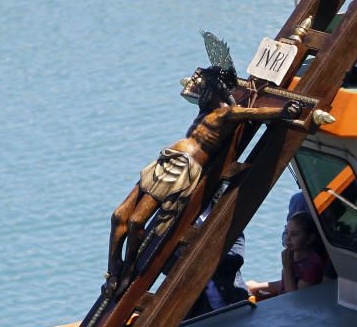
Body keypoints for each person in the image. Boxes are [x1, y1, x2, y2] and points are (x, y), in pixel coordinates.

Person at [106, 66, 302, 288]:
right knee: (118, 216)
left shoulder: (227, 113)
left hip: (181, 169)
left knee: (136, 221)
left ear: (216, 88)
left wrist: (285, 110)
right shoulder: (205, 109)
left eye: (205, 87)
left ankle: (129, 269)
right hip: (166, 160)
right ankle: (114, 269)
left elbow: (257, 113)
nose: (201, 91)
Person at [245, 212, 325, 298]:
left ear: (310, 238)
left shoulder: (311, 266)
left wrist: (287, 267)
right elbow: (284, 284)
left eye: (294, 234)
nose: (288, 238)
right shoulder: (292, 256)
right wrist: (257, 286)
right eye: (286, 232)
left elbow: (295, 300)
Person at [185, 234, 249, 320]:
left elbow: (236, 259)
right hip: (200, 314)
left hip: (235, 302)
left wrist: (203, 258)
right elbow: (168, 267)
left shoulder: (229, 226)